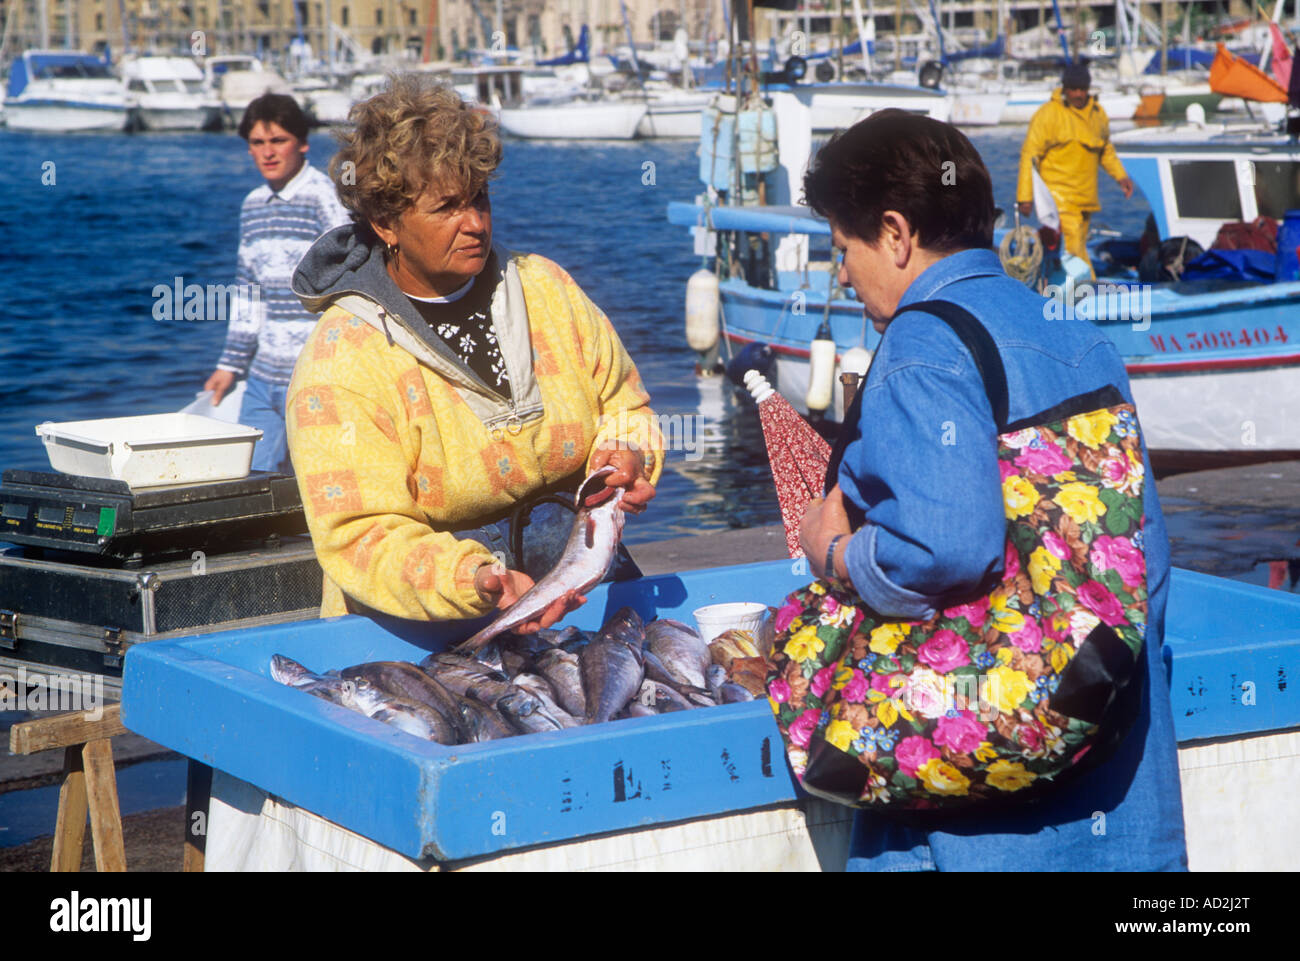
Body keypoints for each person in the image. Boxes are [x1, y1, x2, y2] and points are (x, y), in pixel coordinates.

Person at [798, 109, 1187, 871]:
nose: (842, 273)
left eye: (844, 249)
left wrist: (837, 551)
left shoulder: (917, 345)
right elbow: (1144, 553)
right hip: (1119, 786)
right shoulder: (1074, 329)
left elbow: (946, 546)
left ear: (896, 232)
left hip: (979, 825)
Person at [285, 76, 660, 627]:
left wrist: (627, 455)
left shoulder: (546, 289)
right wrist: (474, 581)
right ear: (386, 222)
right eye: (446, 208)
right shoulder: (342, 361)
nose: (476, 224)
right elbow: (359, 533)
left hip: (579, 576)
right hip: (425, 623)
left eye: (479, 198)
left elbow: (624, 405)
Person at [204, 92, 351, 474]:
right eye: (258, 143)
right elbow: (249, 291)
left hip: (314, 376)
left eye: (278, 141)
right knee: (252, 480)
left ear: (301, 143)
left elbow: (352, 283)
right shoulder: (253, 205)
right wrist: (229, 365)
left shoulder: (325, 198)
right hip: (262, 377)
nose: (268, 153)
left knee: (322, 480)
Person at [1016, 62, 1135, 277]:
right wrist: (1025, 197)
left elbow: (1106, 150)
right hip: (1057, 199)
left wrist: (1121, 176)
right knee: (1074, 250)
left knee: (1077, 245)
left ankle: (1065, 287)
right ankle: (1085, 293)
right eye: (1073, 89)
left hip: (1085, 198)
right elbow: (1029, 155)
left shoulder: (1098, 114)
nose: (1078, 94)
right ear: (1065, 89)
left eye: (1082, 89)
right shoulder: (1048, 114)